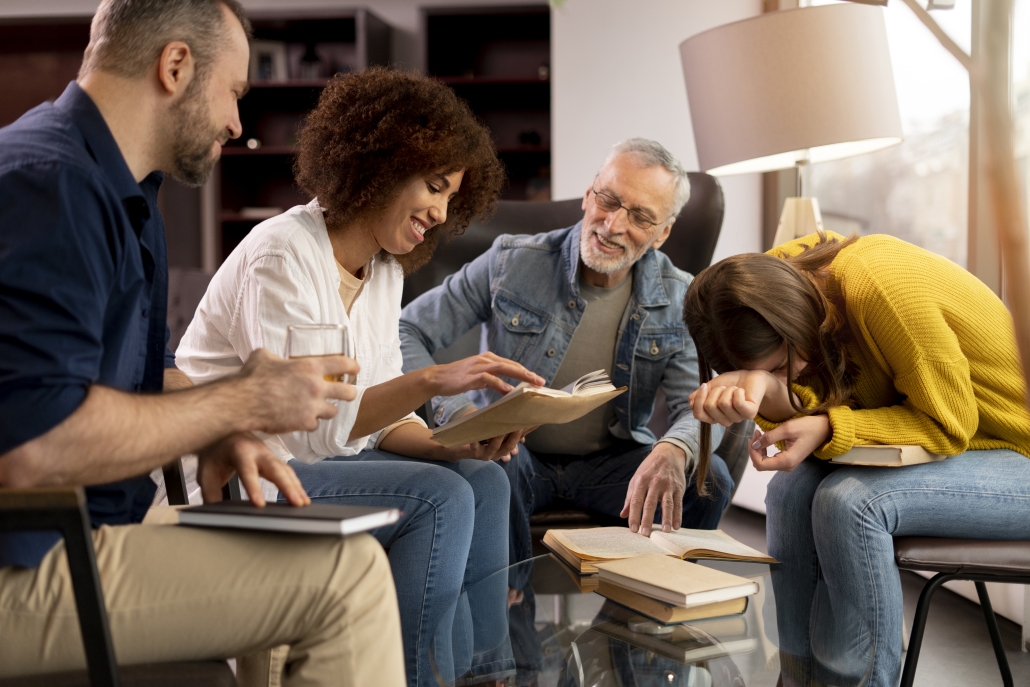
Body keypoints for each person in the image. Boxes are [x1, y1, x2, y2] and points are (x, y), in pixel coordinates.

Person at [0, 1, 405, 685]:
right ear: (176, 66)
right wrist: (237, 400)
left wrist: (223, 426)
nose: (237, 123)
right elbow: (33, 447)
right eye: (235, 94)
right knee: (346, 576)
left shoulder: (121, 192)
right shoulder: (52, 185)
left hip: (81, 530)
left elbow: (143, 374)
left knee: (284, 545)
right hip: (27, 555)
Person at [175, 68, 543, 687]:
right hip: (241, 471)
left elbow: (381, 419)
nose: (441, 211)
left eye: (452, 196)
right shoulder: (282, 253)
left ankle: (484, 676)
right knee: (442, 497)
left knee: (482, 478)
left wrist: (459, 441)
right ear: (382, 163)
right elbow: (308, 428)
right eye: (433, 186)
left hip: (318, 464)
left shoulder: (385, 270)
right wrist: (433, 382)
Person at [681, 230, 1030, 687]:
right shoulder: (756, 293)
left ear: (791, 319)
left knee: (852, 502)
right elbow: (821, 396)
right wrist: (762, 387)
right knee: (789, 489)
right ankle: (799, 680)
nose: (786, 377)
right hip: (964, 450)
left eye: (780, 367)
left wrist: (828, 426)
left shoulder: (879, 284)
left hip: (1013, 446)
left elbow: (948, 424)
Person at [399, 139, 734, 575]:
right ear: (588, 194)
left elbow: (697, 403)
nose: (613, 224)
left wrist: (674, 448)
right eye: (608, 200)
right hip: (513, 454)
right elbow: (407, 329)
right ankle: (510, 609)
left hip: (612, 466)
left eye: (640, 217)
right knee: (497, 469)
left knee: (710, 480)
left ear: (662, 233)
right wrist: (455, 410)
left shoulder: (680, 295)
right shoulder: (510, 262)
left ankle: (647, 610)